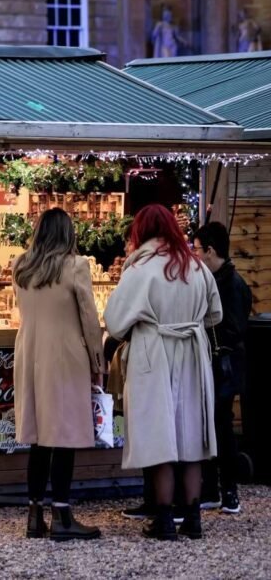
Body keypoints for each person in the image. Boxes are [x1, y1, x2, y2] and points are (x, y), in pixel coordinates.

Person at [104, 204, 222, 540]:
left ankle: (165, 519)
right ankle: (194, 518)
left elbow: (115, 322)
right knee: (192, 435)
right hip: (192, 354)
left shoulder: (140, 269)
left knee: (159, 435)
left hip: (154, 353)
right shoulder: (196, 266)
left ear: (140, 231)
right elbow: (215, 314)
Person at [12, 208, 103, 541]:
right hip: (65, 354)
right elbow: (90, 319)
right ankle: (62, 514)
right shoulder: (76, 266)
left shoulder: (20, 265)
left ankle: (35, 514)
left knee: (38, 436)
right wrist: (98, 361)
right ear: (68, 233)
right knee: (63, 434)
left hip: (29, 353)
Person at [193, 222, 252, 515]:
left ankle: (229, 492)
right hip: (219, 364)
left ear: (210, 251)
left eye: (197, 249)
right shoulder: (218, 280)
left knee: (222, 427)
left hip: (224, 366)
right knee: (212, 425)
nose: (194, 255)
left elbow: (234, 330)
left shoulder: (232, 284)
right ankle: (213, 490)